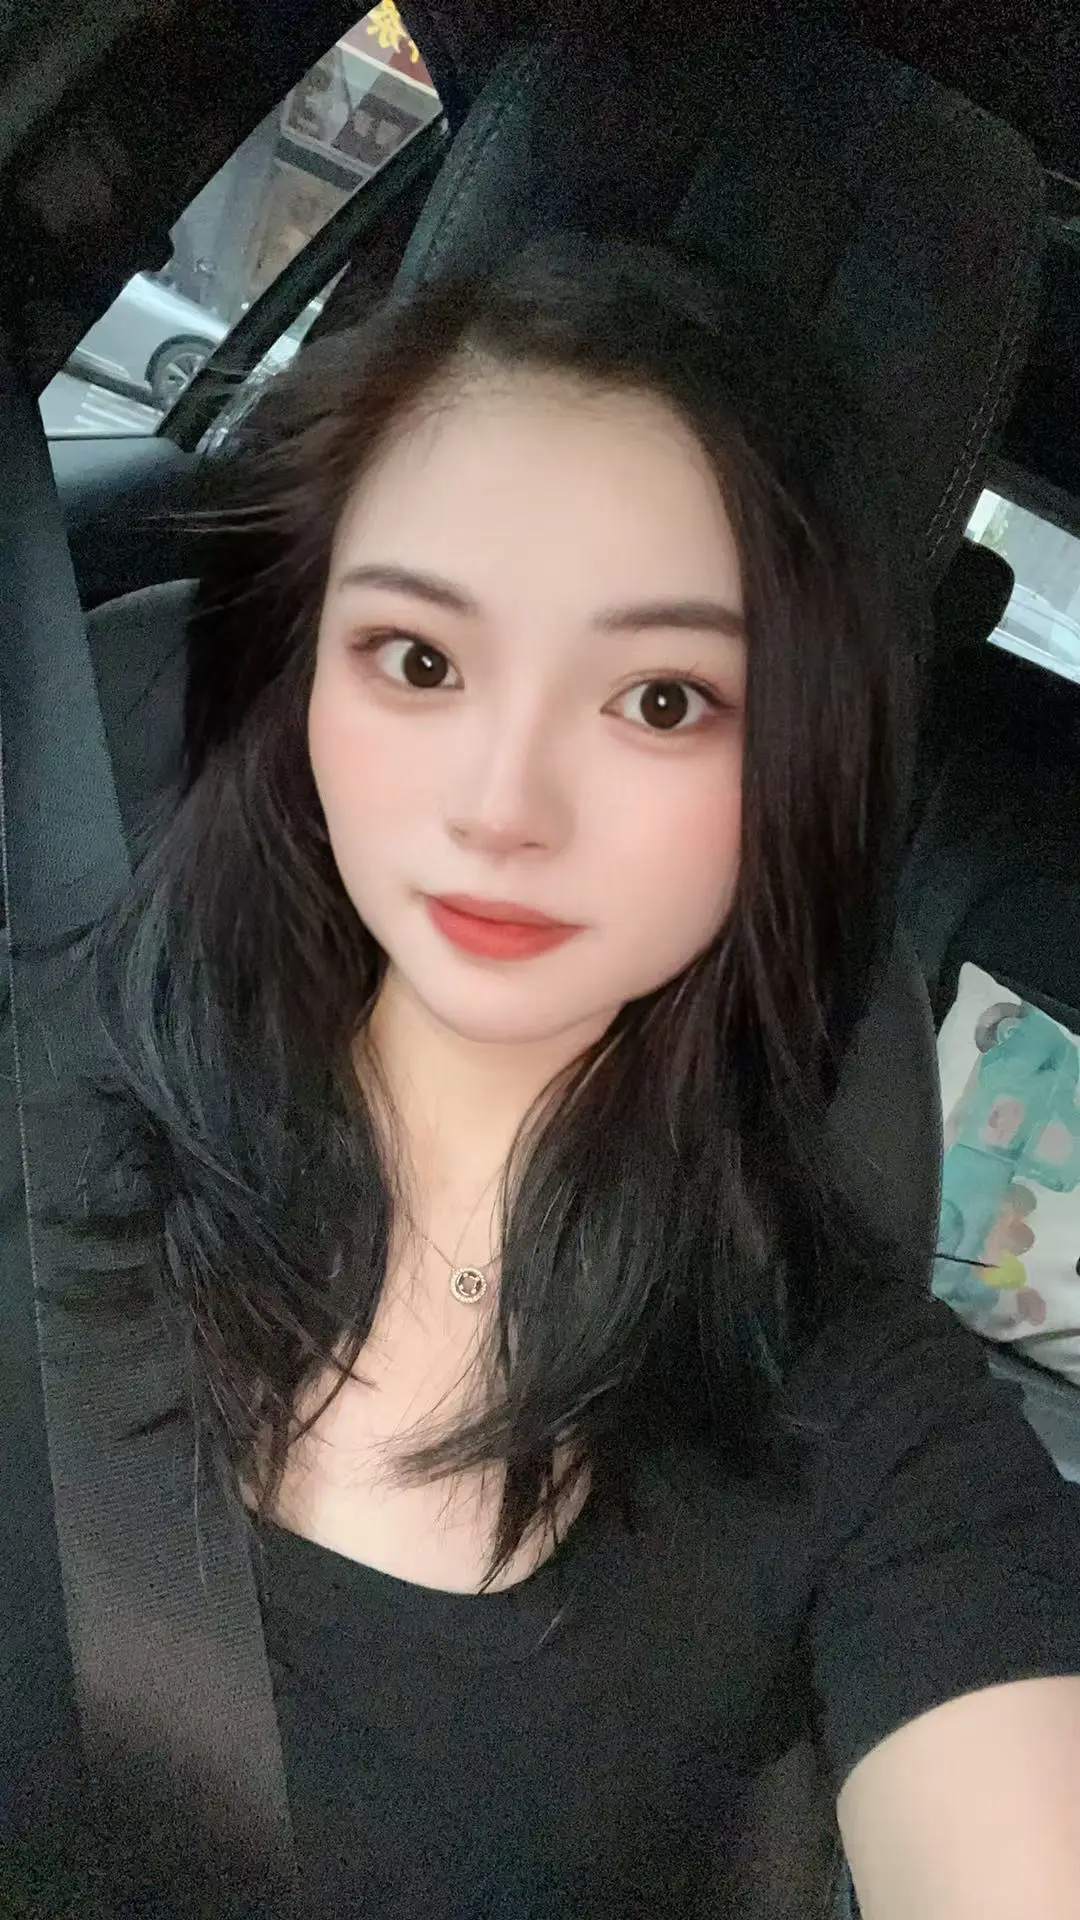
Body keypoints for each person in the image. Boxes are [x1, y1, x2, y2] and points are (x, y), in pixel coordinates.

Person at [42, 237, 1080, 1914]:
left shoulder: (859, 1428)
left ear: (791, 767)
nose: (504, 806)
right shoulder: (42, 1074)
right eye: (421, 661)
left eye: (660, 699)